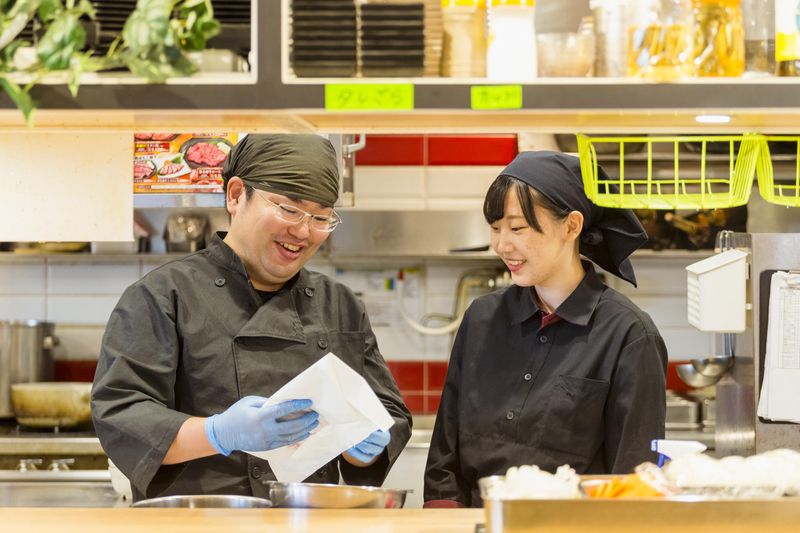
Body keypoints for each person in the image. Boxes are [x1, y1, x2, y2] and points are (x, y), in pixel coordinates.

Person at [92, 134, 412, 501]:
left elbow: (388, 410)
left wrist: (359, 447)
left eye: (321, 218)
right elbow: (122, 416)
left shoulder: (339, 303)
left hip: (306, 518)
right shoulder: (162, 296)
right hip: (196, 518)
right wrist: (217, 433)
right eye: (289, 209)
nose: (303, 231)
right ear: (235, 195)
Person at [424, 151, 668, 508]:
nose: (502, 245)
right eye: (495, 228)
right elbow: (444, 459)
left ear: (571, 226)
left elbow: (634, 484)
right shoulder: (481, 318)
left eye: (517, 228)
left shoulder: (629, 335)